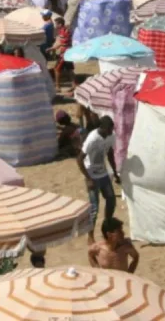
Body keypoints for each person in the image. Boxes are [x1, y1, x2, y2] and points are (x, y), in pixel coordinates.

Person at [77, 116, 119, 244]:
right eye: (110, 129)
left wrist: (115, 172)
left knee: (111, 200)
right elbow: (79, 159)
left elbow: (110, 153)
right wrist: (88, 178)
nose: (112, 131)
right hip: (92, 175)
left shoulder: (110, 136)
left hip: (103, 173)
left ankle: (107, 228)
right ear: (104, 128)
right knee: (94, 207)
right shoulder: (92, 139)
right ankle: (90, 235)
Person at [49, 18, 74, 92]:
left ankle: (57, 86)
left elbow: (61, 44)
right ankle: (73, 85)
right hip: (69, 52)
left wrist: (51, 48)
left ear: (60, 24)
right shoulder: (66, 30)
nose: (55, 25)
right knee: (70, 69)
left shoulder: (63, 32)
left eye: (56, 24)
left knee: (57, 69)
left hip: (64, 54)